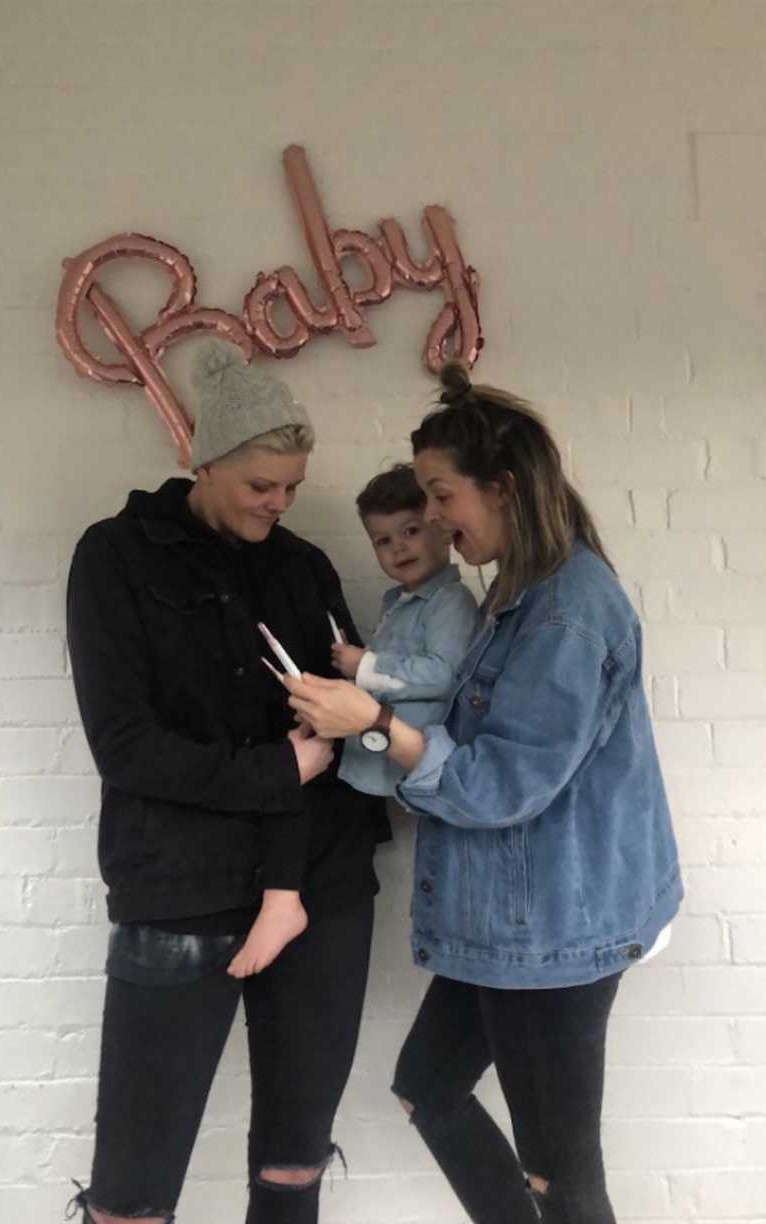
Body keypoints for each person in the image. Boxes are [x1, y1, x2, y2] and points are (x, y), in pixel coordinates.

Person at [284, 364, 683, 1224]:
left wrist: (376, 725)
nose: (430, 520)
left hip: (552, 933)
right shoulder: (523, 593)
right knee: (429, 1088)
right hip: (510, 922)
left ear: (501, 488)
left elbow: (502, 783)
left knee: (561, 1177)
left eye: (440, 494)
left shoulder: (570, 611)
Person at [65, 342, 387, 1224]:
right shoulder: (114, 558)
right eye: (260, 487)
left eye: (290, 487)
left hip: (319, 880)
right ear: (203, 461)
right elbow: (125, 746)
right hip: (178, 882)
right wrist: (273, 766)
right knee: (132, 1187)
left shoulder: (303, 565)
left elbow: (351, 722)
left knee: (293, 1164)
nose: (279, 504)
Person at [332, 463, 479, 798]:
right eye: (383, 540)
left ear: (443, 530)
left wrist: (365, 666)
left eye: (410, 531)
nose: (397, 547)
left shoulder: (451, 601)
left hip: (413, 767)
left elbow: (444, 675)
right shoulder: (395, 600)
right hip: (379, 759)